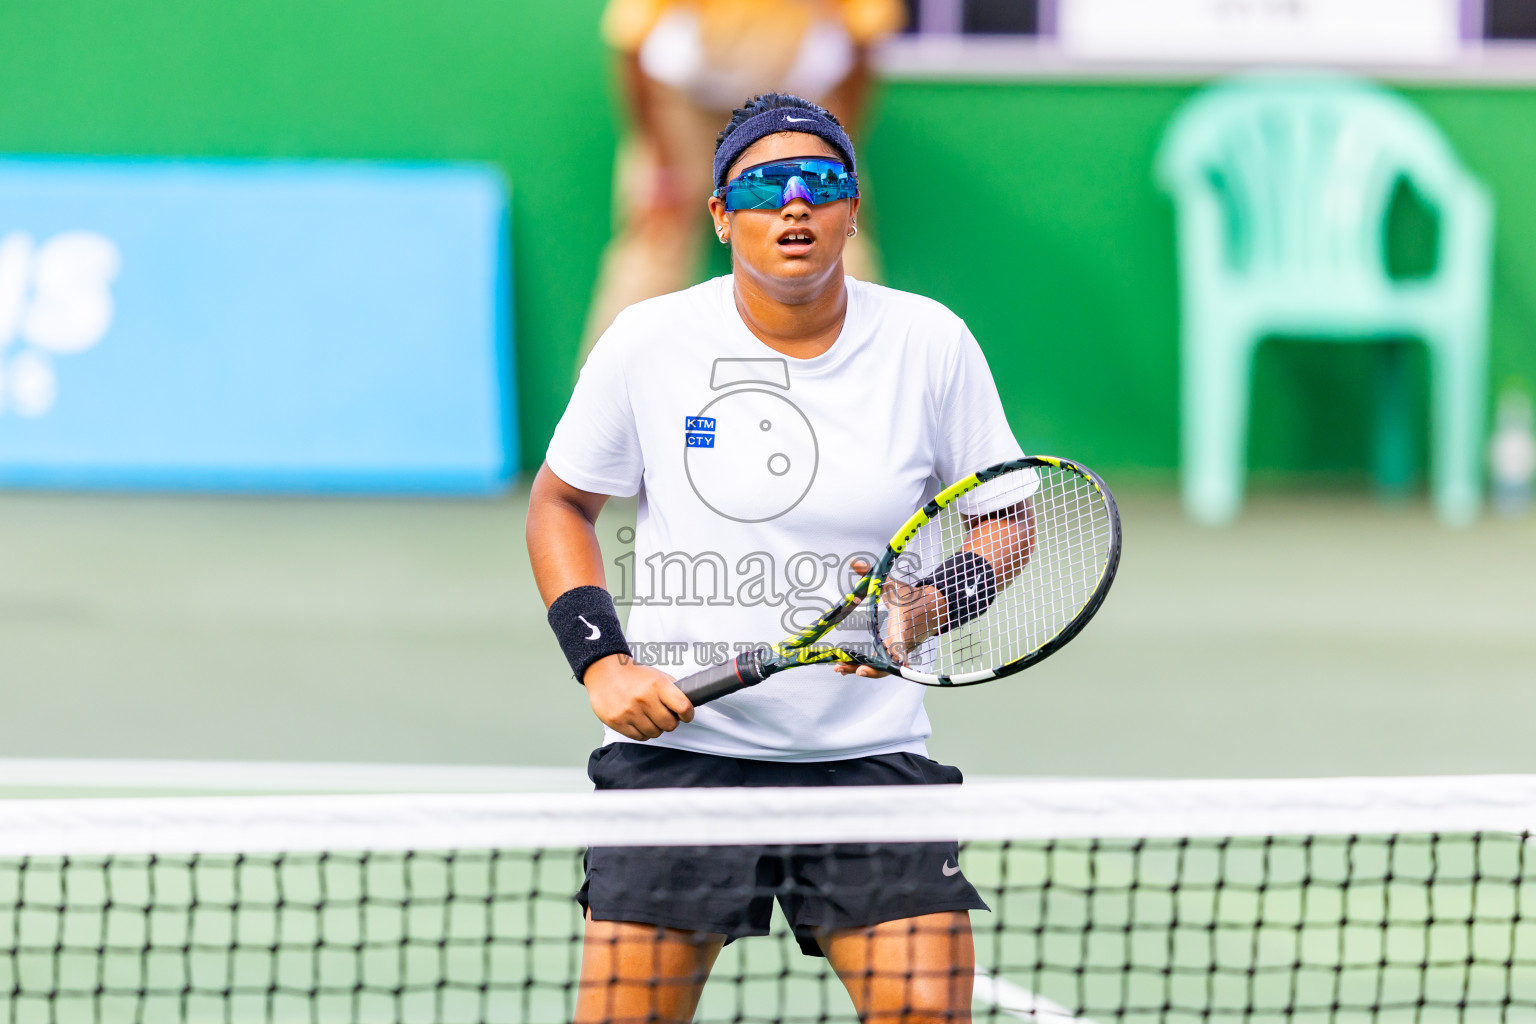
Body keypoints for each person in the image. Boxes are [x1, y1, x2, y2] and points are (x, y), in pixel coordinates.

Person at [527, 93, 1024, 1023]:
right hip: (685, 758)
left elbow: (1008, 520)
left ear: (852, 207)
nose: (794, 203)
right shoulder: (650, 341)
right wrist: (601, 660)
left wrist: (927, 607)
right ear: (721, 215)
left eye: (822, 182)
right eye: (762, 185)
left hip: (867, 759)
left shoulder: (929, 344)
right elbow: (560, 503)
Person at [578, 0, 905, 365]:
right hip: (684, 101)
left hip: (796, 93)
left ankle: (867, 376)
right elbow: (633, 45)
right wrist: (663, 163)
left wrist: (834, 152)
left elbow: (863, 40)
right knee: (657, 239)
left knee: (833, 231)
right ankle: (607, 391)